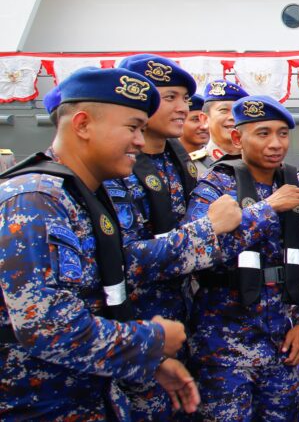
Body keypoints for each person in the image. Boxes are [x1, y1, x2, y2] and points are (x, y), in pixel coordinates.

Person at [0, 67, 201, 418]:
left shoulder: (81, 196)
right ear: (82, 124)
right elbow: (46, 327)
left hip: (89, 399)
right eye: (132, 127)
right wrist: (151, 341)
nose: (141, 141)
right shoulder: (34, 200)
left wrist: (147, 363)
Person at [105, 55, 247, 418]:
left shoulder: (176, 159)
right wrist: (209, 228)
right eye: (169, 97)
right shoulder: (114, 168)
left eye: (185, 98)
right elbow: (124, 261)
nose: (183, 108)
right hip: (139, 334)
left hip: (186, 326)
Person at [185, 95, 299, 421]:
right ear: (238, 138)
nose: (276, 144)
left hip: (280, 347)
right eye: (263, 133)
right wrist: (266, 209)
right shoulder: (214, 186)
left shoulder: (295, 184)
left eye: (283, 133)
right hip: (225, 348)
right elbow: (196, 253)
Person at [192, 79, 249, 172]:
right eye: (224, 110)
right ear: (205, 119)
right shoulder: (192, 166)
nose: (232, 117)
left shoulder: (261, 163)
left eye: (238, 111)